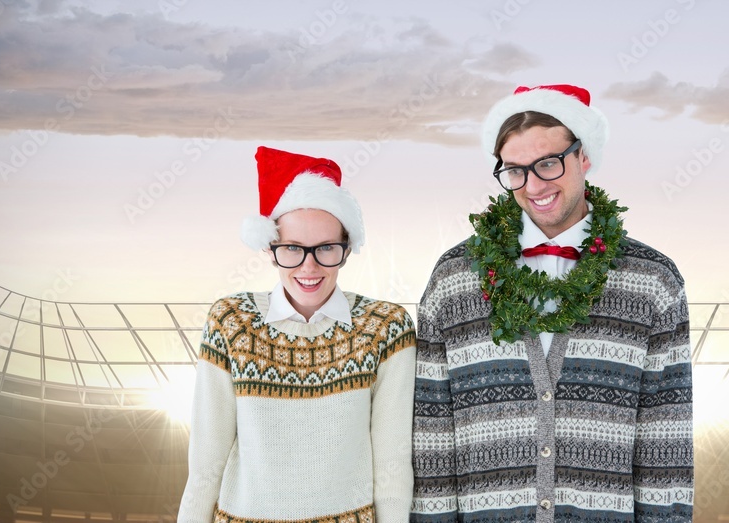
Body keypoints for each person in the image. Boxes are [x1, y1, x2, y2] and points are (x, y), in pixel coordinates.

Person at [411, 84, 693, 522]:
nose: (533, 185)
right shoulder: (453, 278)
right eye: (515, 171)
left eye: (548, 163)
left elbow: (665, 442)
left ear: (584, 158)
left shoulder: (652, 280)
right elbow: (432, 438)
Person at [179, 146, 416, 522]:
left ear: (347, 247)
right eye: (292, 248)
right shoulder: (230, 321)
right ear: (271, 250)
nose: (309, 266)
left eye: (325, 248)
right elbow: (206, 464)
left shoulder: (385, 328)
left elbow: (392, 465)